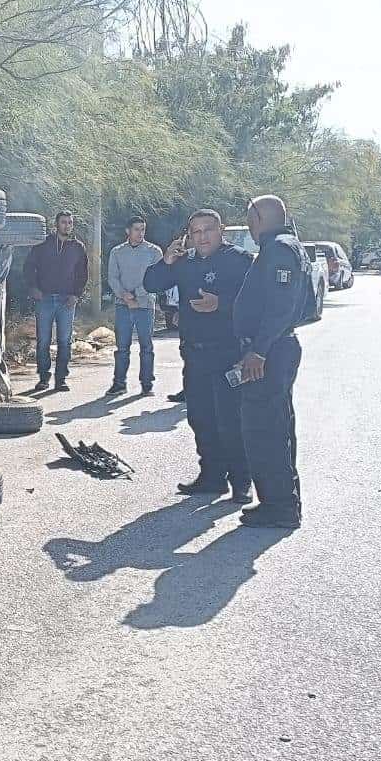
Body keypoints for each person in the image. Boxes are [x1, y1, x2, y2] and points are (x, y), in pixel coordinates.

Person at [143, 209, 255, 503]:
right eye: (196, 232)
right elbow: (152, 284)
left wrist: (221, 304)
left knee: (230, 420)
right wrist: (166, 261)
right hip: (195, 354)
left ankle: (241, 481)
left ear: (221, 230)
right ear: (189, 235)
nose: (202, 236)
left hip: (228, 354)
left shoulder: (239, 260)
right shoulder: (185, 262)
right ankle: (211, 477)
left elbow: (256, 304)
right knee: (201, 418)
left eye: (208, 230)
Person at [231, 194, 313, 529]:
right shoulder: (282, 245)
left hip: (271, 352)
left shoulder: (279, 249)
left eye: (250, 220)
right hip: (273, 349)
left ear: (260, 219)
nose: (249, 227)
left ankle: (279, 506)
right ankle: (280, 501)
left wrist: (259, 350)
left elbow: (281, 306)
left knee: (266, 430)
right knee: (275, 426)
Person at [24, 210, 90, 392]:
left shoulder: (78, 247)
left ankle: (61, 379)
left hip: (66, 300)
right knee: (43, 340)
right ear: (56, 224)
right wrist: (33, 288)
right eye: (63, 222)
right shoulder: (43, 244)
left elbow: (82, 274)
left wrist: (76, 295)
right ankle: (43, 378)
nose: (67, 225)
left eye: (70, 222)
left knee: (64, 340)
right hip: (44, 298)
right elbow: (29, 266)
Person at [105, 216, 162, 396]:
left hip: (144, 304)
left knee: (146, 346)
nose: (140, 233)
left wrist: (138, 294)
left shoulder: (154, 251)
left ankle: (147, 384)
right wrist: (124, 295)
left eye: (143, 229)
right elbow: (112, 277)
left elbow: (156, 278)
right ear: (128, 231)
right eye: (136, 229)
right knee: (122, 347)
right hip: (123, 305)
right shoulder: (117, 252)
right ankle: (119, 383)